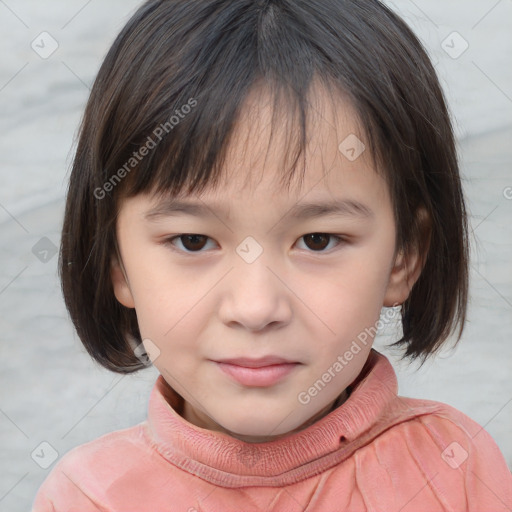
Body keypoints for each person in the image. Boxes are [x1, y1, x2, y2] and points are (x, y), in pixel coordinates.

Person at [32, 0, 512, 510]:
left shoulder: (452, 470)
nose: (256, 308)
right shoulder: (89, 498)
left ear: (404, 256)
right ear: (116, 262)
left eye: (317, 240)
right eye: (193, 241)